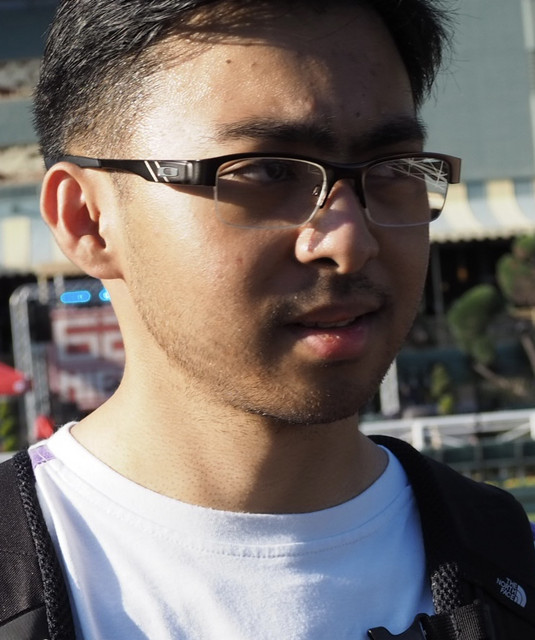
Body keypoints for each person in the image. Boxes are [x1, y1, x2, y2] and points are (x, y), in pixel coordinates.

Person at [3, 0, 533, 638]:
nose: (349, 241)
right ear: (87, 220)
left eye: (394, 169)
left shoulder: (510, 567)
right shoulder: (20, 576)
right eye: (266, 171)